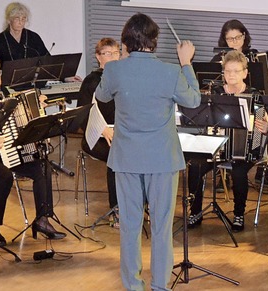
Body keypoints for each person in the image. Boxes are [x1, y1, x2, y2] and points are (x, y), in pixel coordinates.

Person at [95, 13, 201, 291]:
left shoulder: (114, 70)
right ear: (154, 41)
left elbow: (102, 96)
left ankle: (133, 286)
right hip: (162, 158)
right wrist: (186, 62)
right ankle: (160, 287)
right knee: (161, 226)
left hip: (127, 158)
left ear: (126, 42)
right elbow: (193, 99)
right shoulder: (170, 71)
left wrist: (110, 66)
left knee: (130, 226)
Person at [0, 55, 66, 243]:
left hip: (8, 152)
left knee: (42, 166)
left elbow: (22, 120)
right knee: (3, 176)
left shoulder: (6, 96)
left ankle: (42, 219)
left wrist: (37, 106)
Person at [187, 50, 268, 231]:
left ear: (245, 73)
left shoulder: (254, 96)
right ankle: (195, 212)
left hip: (243, 151)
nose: (231, 75)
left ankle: (239, 214)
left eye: (236, 71)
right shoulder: (214, 93)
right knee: (195, 166)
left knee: (239, 173)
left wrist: (265, 128)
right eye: (228, 71)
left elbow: (266, 123)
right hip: (214, 147)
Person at [211, 19, 268, 188]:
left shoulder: (256, 56)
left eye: (238, 37)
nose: (235, 42)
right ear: (224, 40)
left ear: (244, 37)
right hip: (228, 104)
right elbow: (213, 88)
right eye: (230, 39)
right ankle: (224, 175)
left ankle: (264, 171)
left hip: (255, 104)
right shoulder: (217, 59)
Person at [76, 37, 120, 227]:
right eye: (107, 53)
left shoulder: (124, 78)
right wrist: (103, 130)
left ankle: (141, 203)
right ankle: (116, 209)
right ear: (98, 57)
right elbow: (84, 114)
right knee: (116, 156)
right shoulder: (92, 80)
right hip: (95, 136)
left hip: (120, 133)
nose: (112, 57)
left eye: (116, 53)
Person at [0, 2, 80, 82]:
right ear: (9, 20)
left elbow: (48, 62)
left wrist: (65, 77)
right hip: (9, 88)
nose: (20, 22)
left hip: (33, 85)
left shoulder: (33, 37)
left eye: (23, 19)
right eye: (17, 18)